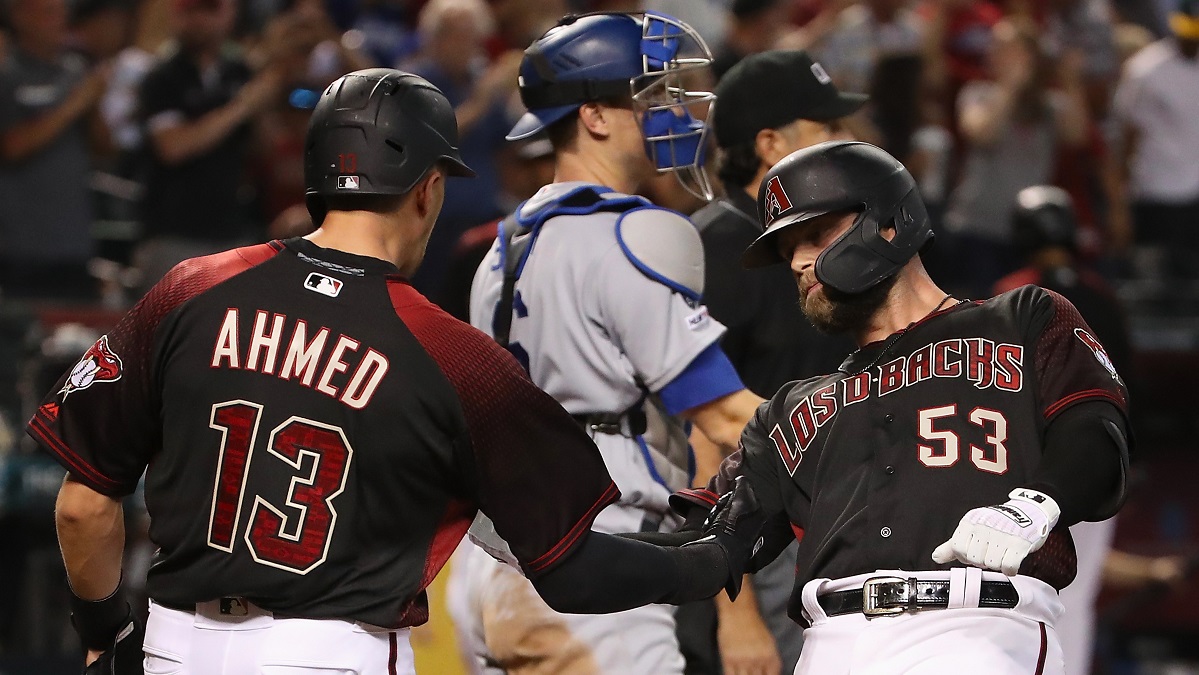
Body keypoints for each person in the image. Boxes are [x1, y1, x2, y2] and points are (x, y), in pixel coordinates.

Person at [28, 68, 766, 675]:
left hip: (174, 645)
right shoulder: (452, 354)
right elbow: (571, 567)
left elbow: (82, 504)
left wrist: (104, 627)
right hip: (332, 654)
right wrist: (705, 560)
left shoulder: (189, 289)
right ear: (425, 188)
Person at [672, 140, 1131, 675]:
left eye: (814, 235)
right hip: (828, 643)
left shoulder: (1020, 318)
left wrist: (1037, 505)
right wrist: (567, 544)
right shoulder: (793, 408)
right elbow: (708, 546)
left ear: (889, 224)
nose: (796, 262)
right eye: (786, 249)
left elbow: (1096, 430)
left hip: (976, 626)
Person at [456, 11, 767, 674]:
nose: (671, 112)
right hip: (593, 563)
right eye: (649, 97)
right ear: (595, 116)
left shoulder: (504, 246)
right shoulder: (631, 234)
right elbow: (722, 413)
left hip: (491, 566)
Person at [684, 48, 863, 675]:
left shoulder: (819, 244)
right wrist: (738, 617)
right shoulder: (719, 247)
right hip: (756, 552)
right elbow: (701, 431)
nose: (847, 141)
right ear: (769, 143)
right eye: (829, 128)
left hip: (824, 531)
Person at [0, 0, 111, 299]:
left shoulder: (76, 70)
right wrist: (75, 104)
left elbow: (104, 148)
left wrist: (94, 102)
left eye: (62, 11)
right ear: (20, 16)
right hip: (21, 247)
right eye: (48, 12)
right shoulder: (8, 75)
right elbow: (12, 147)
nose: (60, 20)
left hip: (74, 243)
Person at [1112, 0, 1199, 281]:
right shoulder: (1145, 70)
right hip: (1154, 193)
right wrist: (1120, 201)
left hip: (1195, 196)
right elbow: (1127, 137)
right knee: (1154, 287)